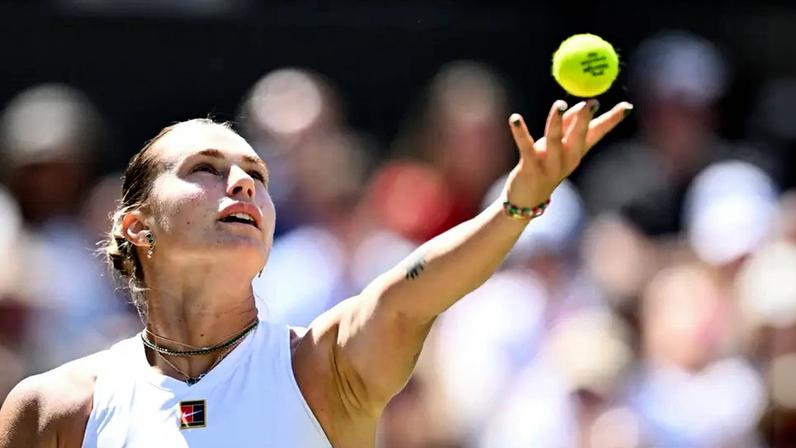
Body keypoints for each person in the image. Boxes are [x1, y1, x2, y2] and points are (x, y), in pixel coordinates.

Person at [0, 96, 631, 447]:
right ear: (138, 227)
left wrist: (518, 204)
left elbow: (409, 294)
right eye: (205, 169)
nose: (243, 182)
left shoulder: (322, 369)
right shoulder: (52, 410)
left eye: (257, 176)